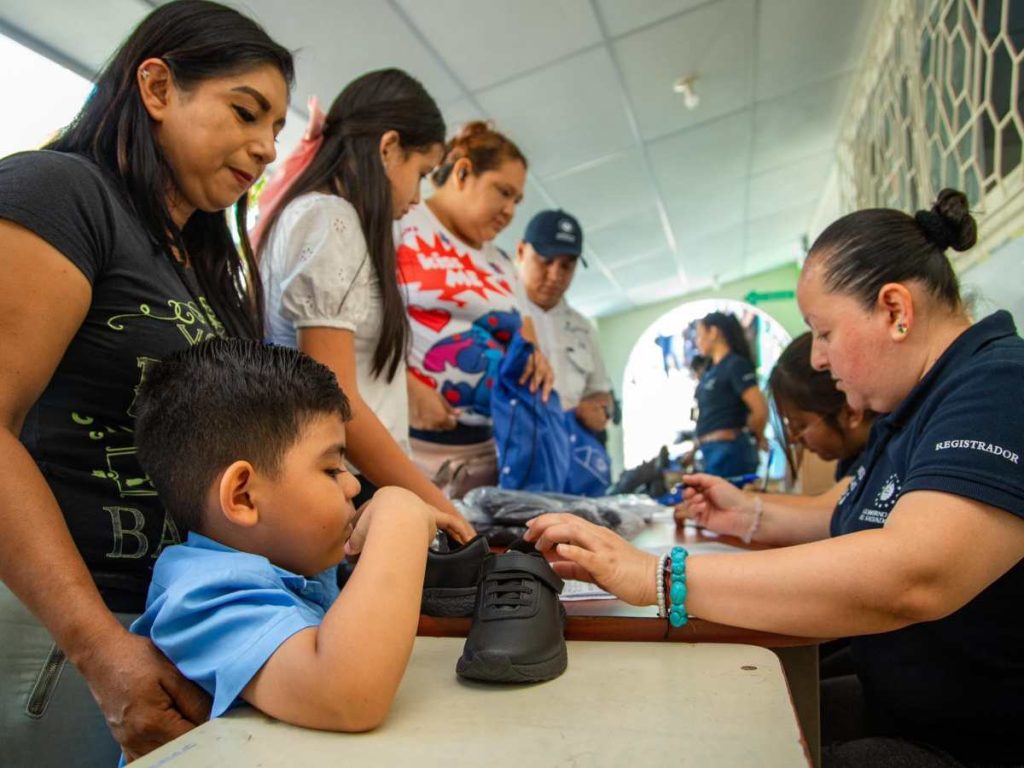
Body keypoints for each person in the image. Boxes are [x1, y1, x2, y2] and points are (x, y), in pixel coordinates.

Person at [526, 189, 1024, 767]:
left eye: (824, 332)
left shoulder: (998, 386)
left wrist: (660, 578)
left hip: (972, 741)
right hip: (902, 699)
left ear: (895, 310)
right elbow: (845, 507)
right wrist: (748, 514)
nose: (815, 358)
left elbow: (915, 572)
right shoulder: (913, 404)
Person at [0, 2, 294, 762]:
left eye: (276, 131)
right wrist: (99, 648)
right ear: (158, 88)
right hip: (67, 640)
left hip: (176, 628)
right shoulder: (59, 193)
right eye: (245, 112)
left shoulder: (201, 271)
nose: (264, 147)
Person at [131, 339, 446, 741]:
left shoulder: (299, 565)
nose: (352, 485)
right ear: (243, 496)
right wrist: (399, 515)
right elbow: (347, 695)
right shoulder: (199, 596)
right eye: (332, 469)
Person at [254, 69, 472, 540]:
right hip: (346, 491)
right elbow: (338, 400)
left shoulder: (319, 216)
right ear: (389, 147)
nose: (417, 197)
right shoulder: (330, 218)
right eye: (420, 174)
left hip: (357, 486)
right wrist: (446, 512)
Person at [396, 121, 553, 497]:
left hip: (491, 455)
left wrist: (537, 363)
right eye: (503, 192)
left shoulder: (501, 262)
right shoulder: (402, 222)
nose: (510, 211)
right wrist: (404, 386)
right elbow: (361, 326)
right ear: (463, 172)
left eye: (518, 201)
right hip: (412, 449)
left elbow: (526, 343)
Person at [516, 209, 613, 436]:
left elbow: (601, 392)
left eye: (567, 266)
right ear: (521, 252)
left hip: (568, 448)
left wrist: (597, 410)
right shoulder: (500, 313)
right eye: (546, 261)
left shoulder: (584, 329)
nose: (555, 275)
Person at [692, 311, 769, 478]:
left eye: (699, 335)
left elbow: (760, 409)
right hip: (711, 452)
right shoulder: (711, 371)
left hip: (729, 453)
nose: (697, 342)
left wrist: (757, 436)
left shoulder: (735, 365)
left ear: (714, 332)